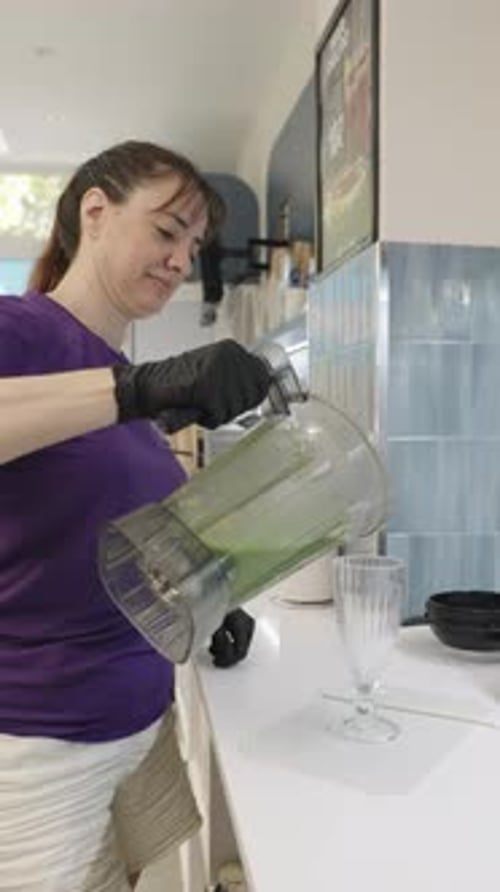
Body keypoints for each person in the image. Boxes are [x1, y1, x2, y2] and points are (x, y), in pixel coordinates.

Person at [0, 140, 272, 891]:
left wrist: (203, 595)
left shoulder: (121, 377)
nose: (181, 258)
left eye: (193, 245)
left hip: (135, 725)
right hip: (41, 749)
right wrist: (135, 393)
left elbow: (105, 536)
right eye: (165, 231)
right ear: (95, 212)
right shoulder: (20, 331)